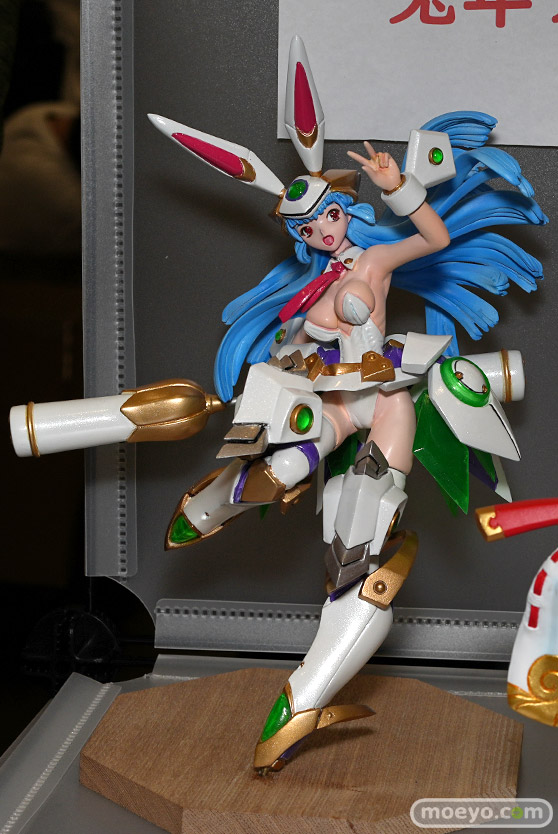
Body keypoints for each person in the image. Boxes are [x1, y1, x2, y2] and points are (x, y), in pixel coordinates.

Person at [148, 36, 546, 772]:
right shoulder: (304, 296)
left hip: (386, 401)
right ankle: (227, 496)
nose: (321, 232)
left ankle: (310, 690)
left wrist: (400, 187)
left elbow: (434, 236)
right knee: (289, 459)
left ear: (342, 209)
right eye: (306, 228)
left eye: (327, 216)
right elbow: (289, 357)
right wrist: (279, 372)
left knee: (357, 537)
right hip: (333, 405)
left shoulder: (375, 261)